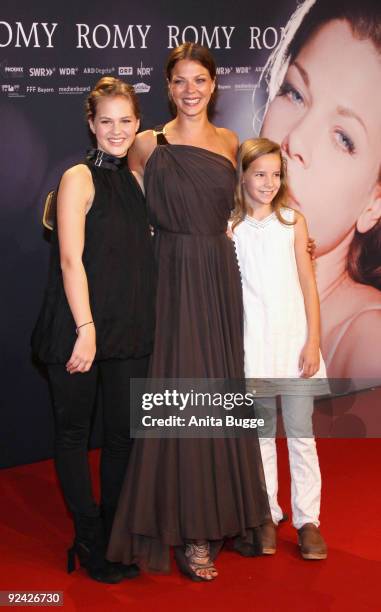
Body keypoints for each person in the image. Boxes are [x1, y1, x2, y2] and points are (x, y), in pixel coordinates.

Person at [107, 43, 270, 581]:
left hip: (217, 275)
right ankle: (190, 529)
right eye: (180, 81)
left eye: (200, 79)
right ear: (168, 86)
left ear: (214, 84)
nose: (191, 90)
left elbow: (254, 202)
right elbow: (123, 203)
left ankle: (222, 516)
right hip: (170, 276)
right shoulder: (149, 144)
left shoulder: (230, 142)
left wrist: (297, 238)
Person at [31, 77, 156, 582]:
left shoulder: (136, 181)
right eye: (107, 120)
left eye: (126, 120)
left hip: (127, 327)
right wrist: (86, 328)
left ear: (137, 124)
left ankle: (112, 532)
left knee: (123, 435)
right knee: (75, 434)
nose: (117, 130)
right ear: (91, 123)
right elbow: (69, 259)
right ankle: (86, 539)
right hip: (78, 327)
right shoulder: (77, 177)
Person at [259, 0, 381, 379]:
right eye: (295, 93)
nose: (295, 140)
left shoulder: (367, 346)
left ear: (374, 205)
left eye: (344, 139)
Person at [232, 137, 328, 560]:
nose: (268, 183)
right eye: (259, 174)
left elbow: (309, 286)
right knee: (261, 437)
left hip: (294, 348)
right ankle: (268, 514)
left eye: (275, 175)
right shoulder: (230, 229)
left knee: (302, 436)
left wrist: (313, 341)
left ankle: (308, 522)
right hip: (255, 348)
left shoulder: (293, 222)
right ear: (243, 176)